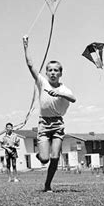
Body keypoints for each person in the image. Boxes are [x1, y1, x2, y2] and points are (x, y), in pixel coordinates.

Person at [23, 35, 76, 192]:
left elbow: (73, 98)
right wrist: (26, 46)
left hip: (58, 124)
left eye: (56, 70)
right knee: (45, 159)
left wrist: (59, 94)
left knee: (55, 157)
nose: (53, 73)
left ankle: (47, 185)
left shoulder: (64, 89)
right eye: (50, 70)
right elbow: (30, 65)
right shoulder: (42, 82)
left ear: (60, 73)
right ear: (46, 73)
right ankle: (41, 154)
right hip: (44, 124)